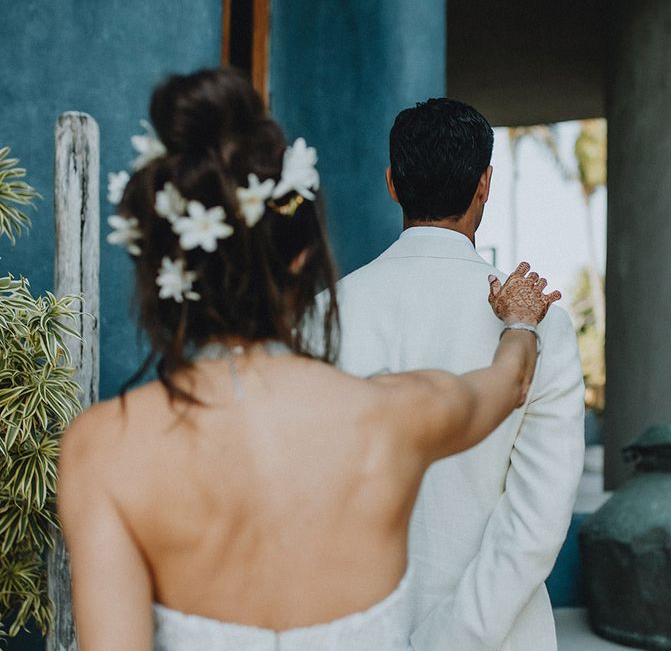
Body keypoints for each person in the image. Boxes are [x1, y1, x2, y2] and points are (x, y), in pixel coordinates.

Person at [57, 67, 562, 651]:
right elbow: (512, 380)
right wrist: (520, 322)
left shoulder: (100, 448)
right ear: (299, 260)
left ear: (164, 271)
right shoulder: (396, 412)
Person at [333, 98, 585, 650]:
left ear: (392, 184)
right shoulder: (544, 327)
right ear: (485, 185)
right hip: (498, 638)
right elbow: (534, 526)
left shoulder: (323, 316)